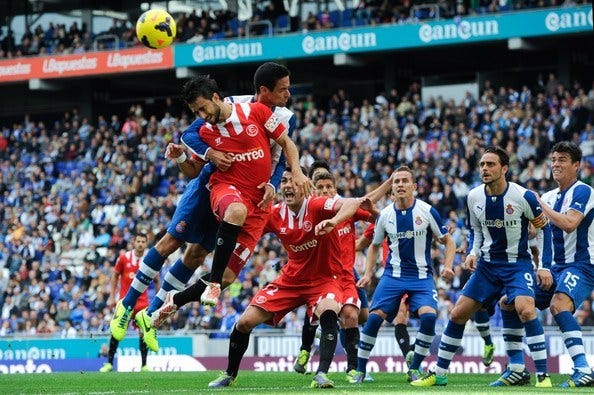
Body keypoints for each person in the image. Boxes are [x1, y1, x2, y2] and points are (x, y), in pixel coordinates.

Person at [110, 63, 302, 350]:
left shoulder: (284, 117)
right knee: (171, 241)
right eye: (283, 89)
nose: (288, 94)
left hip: (250, 192)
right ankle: (126, 307)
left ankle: (150, 314)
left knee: (196, 255)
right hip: (213, 184)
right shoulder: (229, 107)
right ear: (264, 91)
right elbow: (189, 135)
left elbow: (281, 154)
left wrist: (274, 183)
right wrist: (209, 152)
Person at [206, 167, 372, 389]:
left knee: (330, 311)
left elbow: (353, 204)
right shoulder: (274, 213)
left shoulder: (316, 205)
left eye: (293, 181)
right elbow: (248, 228)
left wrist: (334, 221)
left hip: (323, 279)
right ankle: (229, 373)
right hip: (291, 280)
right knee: (245, 322)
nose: (287, 185)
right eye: (283, 181)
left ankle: (321, 374)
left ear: (304, 186)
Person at [411, 146, 553, 388]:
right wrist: (473, 252)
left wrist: (545, 266)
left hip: (517, 265)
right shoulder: (473, 196)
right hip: (487, 266)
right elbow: (476, 231)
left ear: (504, 168)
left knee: (526, 309)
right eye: (482, 165)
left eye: (491, 164)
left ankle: (542, 376)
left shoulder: (523, 196)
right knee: (457, 313)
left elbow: (544, 229)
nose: (485, 169)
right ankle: (439, 373)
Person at [493, 141, 594, 388]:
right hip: (553, 267)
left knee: (559, 305)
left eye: (562, 160)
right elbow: (533, 233)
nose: (556, 164)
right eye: (553, 159)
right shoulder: (549, 196)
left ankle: (583, 369)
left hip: (581, 266)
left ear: (576, 165)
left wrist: (539, 205)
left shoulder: (583, 191)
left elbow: (570, 223)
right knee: (509, 302)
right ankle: (517, 368)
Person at [349, 165, 455, 383]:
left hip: (422, 277)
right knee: (373, 319)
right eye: (396, 182)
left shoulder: (426, 211)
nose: (399, 185)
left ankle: (414, 368)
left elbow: (448, 241)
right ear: (392, 189)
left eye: (404, 181)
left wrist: (448, 265)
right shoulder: (385, 215)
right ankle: (359, 370)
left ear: (414, 186)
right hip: (392, 277)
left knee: (429, 317)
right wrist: (368, 273)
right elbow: (374, 245)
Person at [293, 162, 391, 381]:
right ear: (313, 191)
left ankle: (352, 368)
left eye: (329, 187)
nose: (326, 191)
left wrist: (388, 185)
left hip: (346, 274)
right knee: (322, 315)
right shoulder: (313, 210)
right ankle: (308, 351)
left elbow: (366, 204)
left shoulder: (346, 210)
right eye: (321, 187)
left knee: (355, 316)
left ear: (335, 190)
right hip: (322, 276)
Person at [100, 232, 154, 372]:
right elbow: (115, 276)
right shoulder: (123, 258)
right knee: (116, 331)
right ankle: (109, 363)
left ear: (146, 243)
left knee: (143, 333)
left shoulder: (150, 259)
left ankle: (144, 365)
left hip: (143, 303)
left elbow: (157, 280)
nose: (140, 244)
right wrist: (112, 296)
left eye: (143, 241)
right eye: (138, 241)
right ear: (133, 242)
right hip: (126, 302)